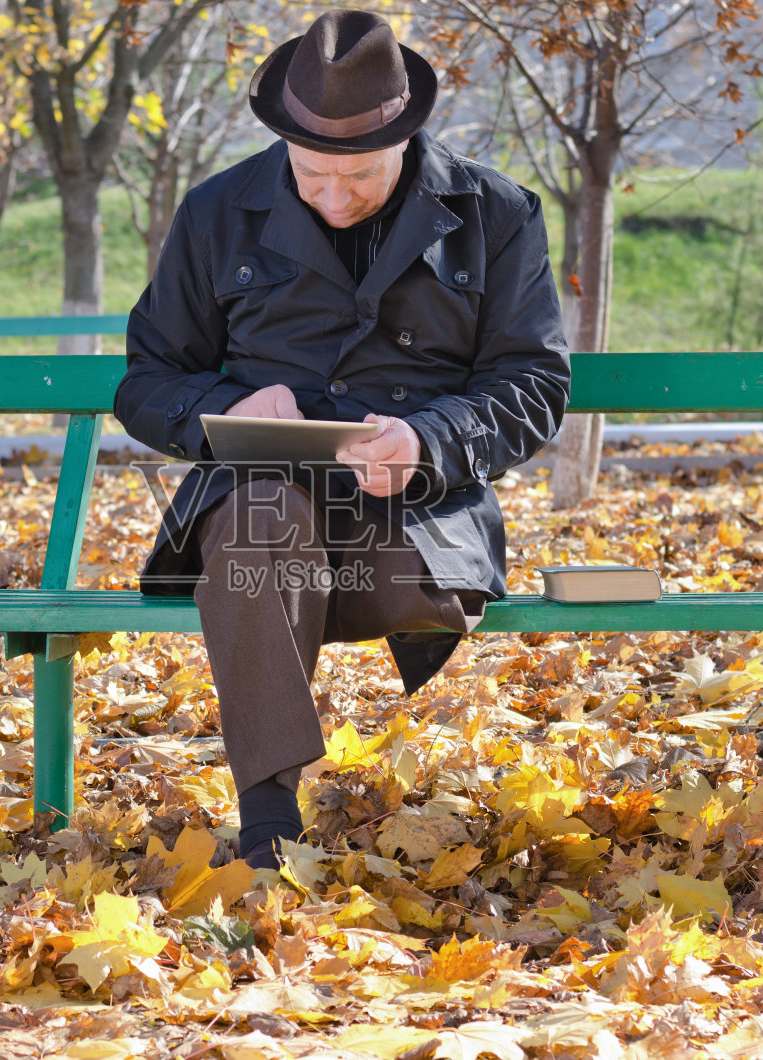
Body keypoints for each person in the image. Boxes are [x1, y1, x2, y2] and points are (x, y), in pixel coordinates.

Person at [113, 9, 571, 869]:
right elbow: (145, 383)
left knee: (271, 557)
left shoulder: (496, 213)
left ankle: (272, 823)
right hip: (257, 524)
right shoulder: (218, 212)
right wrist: (226, 411)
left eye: (356, 175)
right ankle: (267, 836)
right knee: (262, 525)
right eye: (311, 171)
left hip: (411, 535)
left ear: (405, 137)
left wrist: (429, 441)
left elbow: (534, 385)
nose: (330, 194)